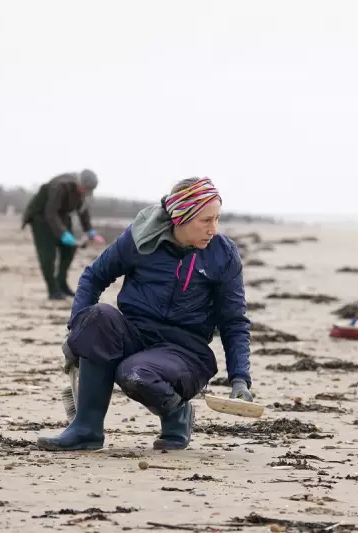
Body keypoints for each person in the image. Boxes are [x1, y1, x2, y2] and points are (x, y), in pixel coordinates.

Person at [37, 177, 253, 452]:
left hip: (186, 353)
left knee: (135, 373)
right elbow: (93, 277)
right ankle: (86, 429)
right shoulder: (140, 239)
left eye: (217, 219)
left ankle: (178, 415)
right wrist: (75, 335)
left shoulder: (223, 254)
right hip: (135, 333)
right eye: (206, 220)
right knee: (97, 317)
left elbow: (234, 321)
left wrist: (240, 378)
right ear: (180, 217)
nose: (213, 229)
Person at [21, 170, 105, 300]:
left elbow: (83, 211)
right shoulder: (60, 186)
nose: (85, 192)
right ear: (79, 183)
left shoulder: (83, 192)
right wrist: (63, 234)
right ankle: (52, 290)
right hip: (41, 217)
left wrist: (90, 232)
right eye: (85, 189)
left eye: (89, 190)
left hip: (61, 216)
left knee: (70, 248)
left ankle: (62, 283)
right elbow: (51, 212)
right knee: (47, 254)